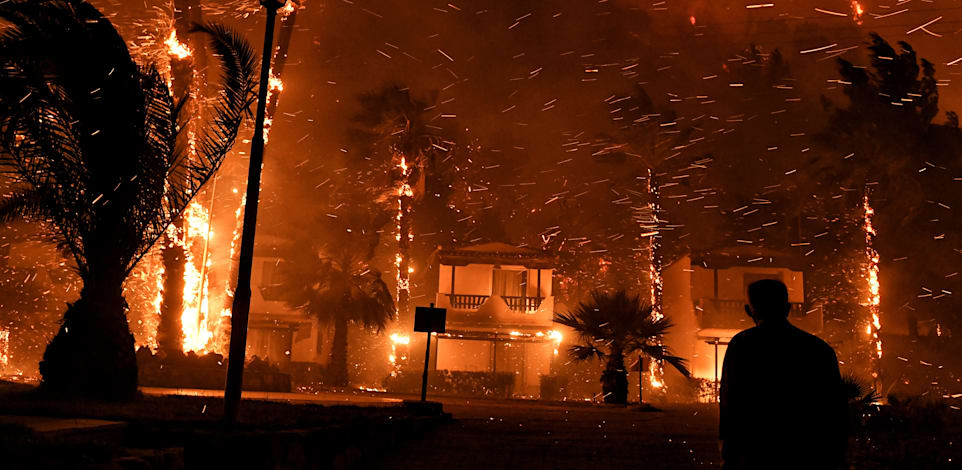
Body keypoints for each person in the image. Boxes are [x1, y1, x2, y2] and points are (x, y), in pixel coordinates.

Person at [719, 279, 847, 470]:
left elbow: (731, 406)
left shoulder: (742, 346)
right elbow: (834, 410)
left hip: (756, 452)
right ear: (787, 308)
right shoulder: (817, 349)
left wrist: (729, 458)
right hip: (805, 453)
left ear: (749, 310)